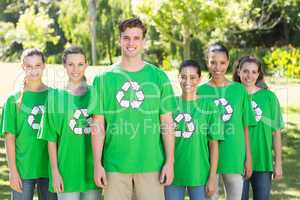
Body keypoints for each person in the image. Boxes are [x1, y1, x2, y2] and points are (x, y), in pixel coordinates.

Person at [89, 18, 176, 200]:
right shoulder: (103, 79)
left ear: (144, 41)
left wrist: (170, 161)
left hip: (151, 164)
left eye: (136, 38)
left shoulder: (159, 77)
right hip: (115, 165)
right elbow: (98, 125)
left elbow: (167, 123)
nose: (131, 43)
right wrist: (98, 164)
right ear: (119, 40)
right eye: (126, 37)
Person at [38, 46, 100, 200]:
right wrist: (55, 172)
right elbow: (51, 138)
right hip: (66, 170)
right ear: (64, 66)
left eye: (80, 64)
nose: (75, 69)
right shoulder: (55, 97)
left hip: (92, 169)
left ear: (86, 65)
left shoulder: (95, 93)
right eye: (71, 64)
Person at [197, 43, 254, 200]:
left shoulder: (239, 90)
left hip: (234, 155)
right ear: (207, 62)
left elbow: (245, 126)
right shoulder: (199, 91)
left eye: (222, 63)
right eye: (213, 62)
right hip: (207, 158)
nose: (217, 67)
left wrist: (248, 157)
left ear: (228, 63)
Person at [0, 48, 57, 200]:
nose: (34, 70)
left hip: (49, 168)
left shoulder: (54, 96)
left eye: (38, 65)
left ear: (44, 66)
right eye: (29, 66)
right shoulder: (13, 100)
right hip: (23, 169)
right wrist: (12, 171)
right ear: (22, 67)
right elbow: (9, 139)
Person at [164, 60, 223, 200]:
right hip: (173, 173)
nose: (187, 81)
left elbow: (214, 144)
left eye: (192, 77)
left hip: (199, 173)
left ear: (199, 79)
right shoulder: (169, 105)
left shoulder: (209, 107)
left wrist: (212, 177)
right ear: (178, 78)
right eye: (183, 77)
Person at [233, 56, 284, 200]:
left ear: (259, 74)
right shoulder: (232, 96)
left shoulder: (269, 97)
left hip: (262, 160)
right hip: (237, 161)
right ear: (238, 72)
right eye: (245, 71)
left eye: (254, 72)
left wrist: (278, 163)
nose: (249, 76)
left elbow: (276, 132)